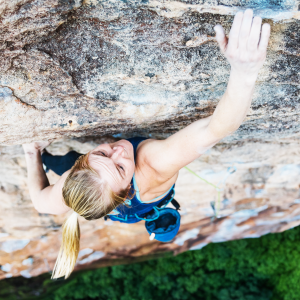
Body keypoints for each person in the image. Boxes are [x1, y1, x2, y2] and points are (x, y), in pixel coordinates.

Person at [22, 9, 270, 280]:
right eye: (118, 166)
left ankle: (53, 158)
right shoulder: (154, 165)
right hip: (137, 198)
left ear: (83, 161)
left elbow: (40, 202)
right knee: (70, 165)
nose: (118, 150)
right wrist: (245, 72)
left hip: (105, 193)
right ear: (127, 188)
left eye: (102, 152)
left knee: (56, 161)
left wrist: (31, 152)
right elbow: (217, 128)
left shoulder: (75, 184)